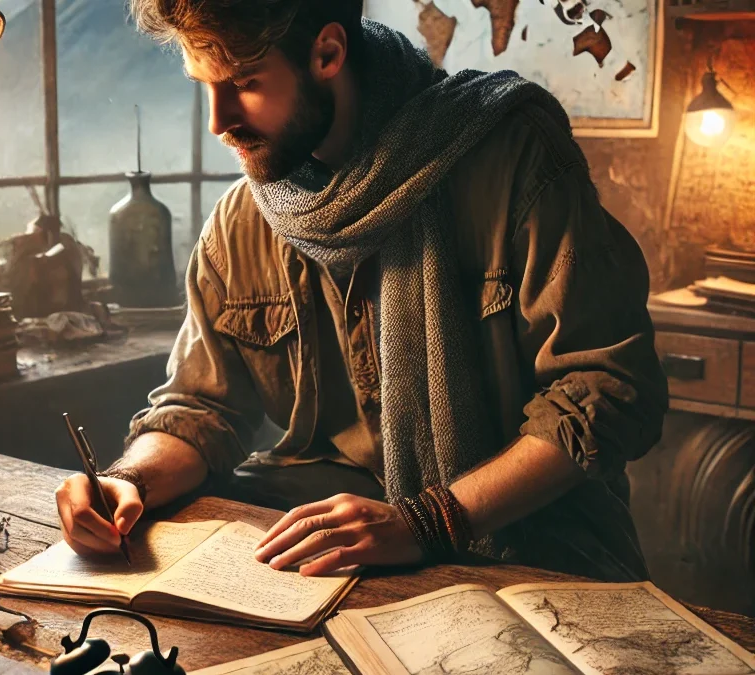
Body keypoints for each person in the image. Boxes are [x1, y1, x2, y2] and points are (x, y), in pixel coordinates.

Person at [56, 0, 668, 582]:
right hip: (328, 552)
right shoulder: (241, 221)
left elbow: (606, 389)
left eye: (242, 82)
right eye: (202, 84)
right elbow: (200, 409)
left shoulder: (511, 157)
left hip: (523, 542)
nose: (218, 122)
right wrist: (127, 479)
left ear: (326, 54)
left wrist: (426, 520)